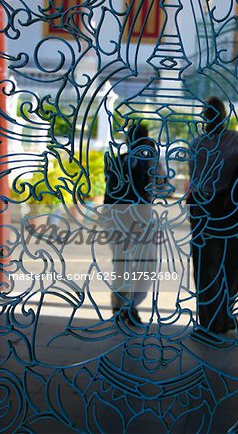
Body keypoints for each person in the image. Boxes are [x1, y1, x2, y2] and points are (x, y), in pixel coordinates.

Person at [188, 97, 238, 334]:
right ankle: (225, 315)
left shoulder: (196, 144)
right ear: (225, 116)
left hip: (203, 210)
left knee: (204, 266)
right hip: (232, 209)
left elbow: (195, 181)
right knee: (230, 265)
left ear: (205, 117)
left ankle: (209, 320)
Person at [103, 123, 161, 326]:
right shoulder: (140, 161)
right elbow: (162, 184)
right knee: (135, 264)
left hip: (128, 220)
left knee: (133, 264)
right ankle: (126, 307)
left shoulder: (126, 161)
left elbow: (161, 184)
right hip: (130, 220)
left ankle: (125, 306)